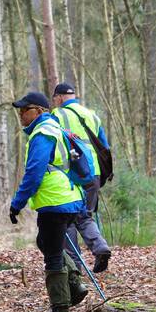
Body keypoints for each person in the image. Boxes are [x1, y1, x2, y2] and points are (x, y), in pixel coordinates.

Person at [9, 91, 89, 312]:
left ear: (39, 111)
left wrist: (17, 204)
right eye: (20, 111)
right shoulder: (55, 128)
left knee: (52, 252)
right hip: (69, 197)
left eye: (26, 109)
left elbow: (34, 173)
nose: (22, 114)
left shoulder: (43, 133)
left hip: (55, 201)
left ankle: (60, 307)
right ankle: (75, 285)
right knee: (45, 242)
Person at [50, 82, 112, 273]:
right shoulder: (92, 115)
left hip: (71, 173)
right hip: (93, 173)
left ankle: (75, 265)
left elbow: (52, 144)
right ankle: (99, 246)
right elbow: (105, 146)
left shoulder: (57, 115)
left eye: (55, 99)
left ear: (59, 97)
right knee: (85, 215)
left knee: (66, 218)